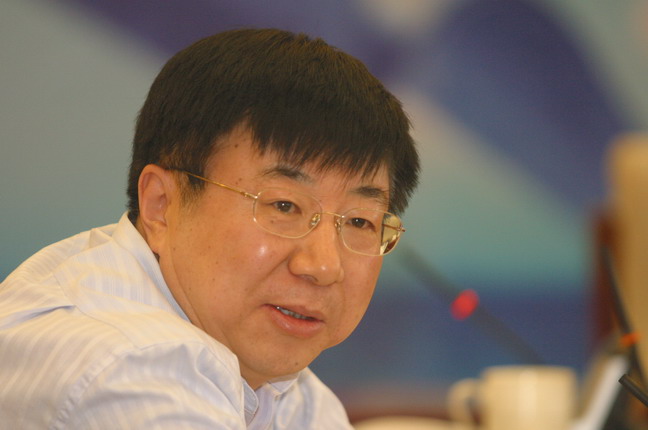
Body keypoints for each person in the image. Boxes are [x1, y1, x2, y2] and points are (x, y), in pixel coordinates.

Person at [0, 28, 419, 428]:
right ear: (161, 205)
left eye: (360, 221)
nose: (324, 266)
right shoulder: (129, 369)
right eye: (284, 206)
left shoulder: (279, 385)